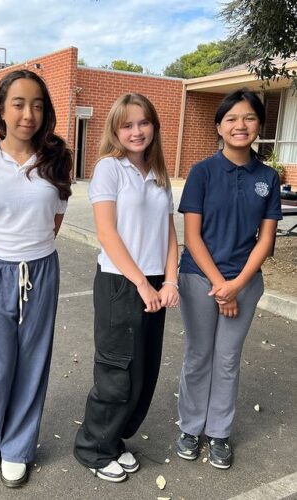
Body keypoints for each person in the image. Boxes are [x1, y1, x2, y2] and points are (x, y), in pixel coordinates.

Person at [0, 69, 72, 488]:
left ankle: (18, 447)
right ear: (1, 110)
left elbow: (56, 219)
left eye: (38, 105)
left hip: (42, 270)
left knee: (33, 361)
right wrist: (3, 256)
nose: (29, 114)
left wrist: (31, 250)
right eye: (19, 103)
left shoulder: (57, 161)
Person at [73, 93, 179, 482]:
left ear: (154, 125)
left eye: (143, 123)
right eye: (127, 125)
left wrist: (169, 280)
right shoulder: (109, 169)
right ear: (116, 130)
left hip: (154, 282)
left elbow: (169, 233)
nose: (136, 131)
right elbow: (107, 233)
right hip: (121, 282)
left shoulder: (159, 172)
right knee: (118, 371)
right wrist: (141, 284)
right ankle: (92, 448)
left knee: (144, 370)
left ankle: (113, 440)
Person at [175, 89, 282, 469]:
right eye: (232, 118)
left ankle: (218, 433)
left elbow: (265, 240)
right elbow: (192, 237)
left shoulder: (268, 178)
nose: (241, 125)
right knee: (199, 355)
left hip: (245, 283)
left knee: (227, 359)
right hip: (197, 279)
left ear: (259, 126)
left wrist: (236, 286)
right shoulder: (202, 172)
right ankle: (190, 426)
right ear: (219, 126)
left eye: (249, 117)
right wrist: (221, 286)